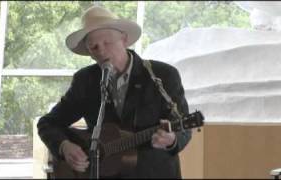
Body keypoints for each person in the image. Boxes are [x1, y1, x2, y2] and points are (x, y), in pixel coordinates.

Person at [37, 5, 192, 178]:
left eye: (107, 43)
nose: (101, 51)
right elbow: (48, 123)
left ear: (124, 39)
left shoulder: (163, 75)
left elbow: (183, 126)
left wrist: (172, 140)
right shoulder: (85, 80)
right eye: (93, 47)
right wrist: (64, 146)